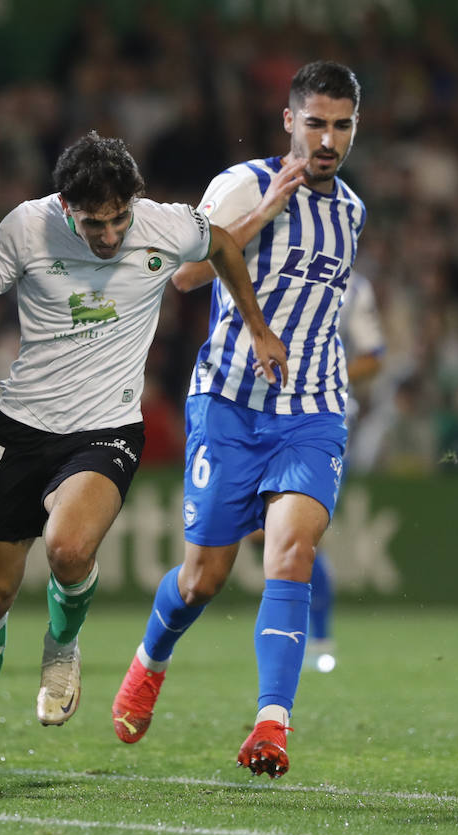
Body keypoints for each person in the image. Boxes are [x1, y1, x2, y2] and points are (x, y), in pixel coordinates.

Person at [0, 132, 287, 783]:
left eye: (118, 220)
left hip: (107, 428)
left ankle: (63, 641)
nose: (108, 236)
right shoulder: (28, 227)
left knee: (70, 548)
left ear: (134, 201)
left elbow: (220, 244)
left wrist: (255, 322)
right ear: (65, 206)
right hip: (22, 428)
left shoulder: (166, 224)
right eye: (93, 223)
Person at [111, 60, 366, 779]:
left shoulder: (352, 210)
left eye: (341, 125)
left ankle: (271, 726)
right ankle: (150, 658)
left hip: (313, 408)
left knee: (292, 554)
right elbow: (185, 275)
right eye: (315, 122)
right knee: (203, 579)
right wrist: (266, 212)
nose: (328, 139)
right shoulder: (242, 182)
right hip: (228, 404)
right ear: (289, 121)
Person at [303, 269, 384, 672]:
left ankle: (318, 636)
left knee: (301, 534)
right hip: (264, 413)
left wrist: (324, 376)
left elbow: (373, 358)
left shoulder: (354, 285)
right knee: (261, 533)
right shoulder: (269, 265)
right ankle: (310, 634)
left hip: (325, 418)